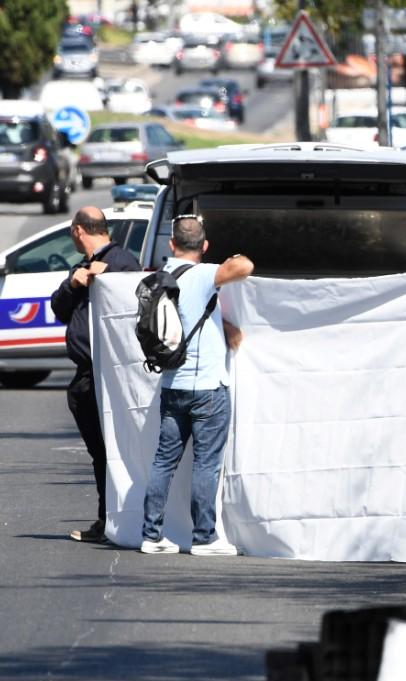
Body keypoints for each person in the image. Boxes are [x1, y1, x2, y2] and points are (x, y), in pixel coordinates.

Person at [139, 216, 254, 555]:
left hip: (173, 384)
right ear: (204, 246)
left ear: (171, 244)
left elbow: (188, 317)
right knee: (206, 463)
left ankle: (151, 535)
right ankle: (204, 537)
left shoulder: (161, 278)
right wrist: (232, 257)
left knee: (163, 461)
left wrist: (224, 323)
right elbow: (245, 266)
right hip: (207, 389)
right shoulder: (205, 274)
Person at [50, 208, 143, 543]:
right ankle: (109, 519)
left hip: (108, 375)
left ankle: (115, 521)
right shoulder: (81, 267)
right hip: (85, 374)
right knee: (99, 452)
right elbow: (58, 308)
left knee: (111, 450)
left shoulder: (121, 261)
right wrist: (75, 283)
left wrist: (108, 278)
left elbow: (132, 302)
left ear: (78, 231)